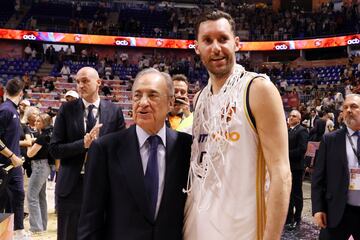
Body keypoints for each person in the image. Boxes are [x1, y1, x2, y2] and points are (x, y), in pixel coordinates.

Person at [183, 10, 291, 240]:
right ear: (197, 47)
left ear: (237, 43)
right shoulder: (200, 98)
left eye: (223, 39)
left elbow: (281, 174)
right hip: (199, 226)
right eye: (207, 41)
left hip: (243, 230)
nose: (216, 48)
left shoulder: (258, 89)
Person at [78, 68, 192, 240]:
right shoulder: (105, 148)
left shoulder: (187, 147)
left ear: (170, 102)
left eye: (152, 95)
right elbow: (90, 218)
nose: (143, 102)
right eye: (137, 96)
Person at [49, 67, 125, 240]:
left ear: (98, 82)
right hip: (72, 186)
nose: (80, 85)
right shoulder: (66, 110)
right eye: (77, 82)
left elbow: (120, 151)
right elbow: (54, 149)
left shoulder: (114, 111)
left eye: (85, 80)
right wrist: (82, 144)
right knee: (69, 235)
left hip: (103, 185)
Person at [312, 94, 360, 239]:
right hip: (337, 210)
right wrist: (318, 209)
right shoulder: (330, 139)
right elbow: (318, 177)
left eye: (354, 106)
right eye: (345, 107)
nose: (348, 110)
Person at [0, 79, 27, 239]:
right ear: (21, 93)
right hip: (4, 165)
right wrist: (11, 156)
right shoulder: (6, 110)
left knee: (17, 197)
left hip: (14, 165)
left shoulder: (14, 110)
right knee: (4, 201)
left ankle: (17, 233)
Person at [26, 113, 52, 234]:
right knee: (41, 197)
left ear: (44, 123)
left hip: (39, 167)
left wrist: (28, 146)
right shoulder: (48, 134)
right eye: (35, 121)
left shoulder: (42, 137)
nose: (35, 123)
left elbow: (30, 154)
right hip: (44, 166)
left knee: (31, 197)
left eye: (38, 121)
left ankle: (36, 228)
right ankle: (42, 225)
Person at [285, 110, 309, 230]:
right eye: (290, 116)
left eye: (294, 116)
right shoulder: (288, 130)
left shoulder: (302, 130)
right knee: (287, 194)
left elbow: (301, 150)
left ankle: (297, 218)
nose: (290, 117)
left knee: (296, 194)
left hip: (296, 167)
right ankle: (288, 218)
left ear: (299, 119)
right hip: (287, 166)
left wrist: (285, 154)